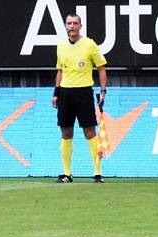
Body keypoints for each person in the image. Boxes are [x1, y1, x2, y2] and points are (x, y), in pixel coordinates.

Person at [52, 13, 107, 183]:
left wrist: (103, 90)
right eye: (69, 23)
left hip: (84, 92)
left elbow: (101, 68)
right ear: (66, 26)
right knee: (66, 132)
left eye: (75, 23)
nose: (72, 26)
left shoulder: (89, 44)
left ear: (80, 26)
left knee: (89, 132)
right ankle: (67, 173)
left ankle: (97, 172)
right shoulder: (60, 46)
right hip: (66, 93)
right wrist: (56, 93)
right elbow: (60, 70)